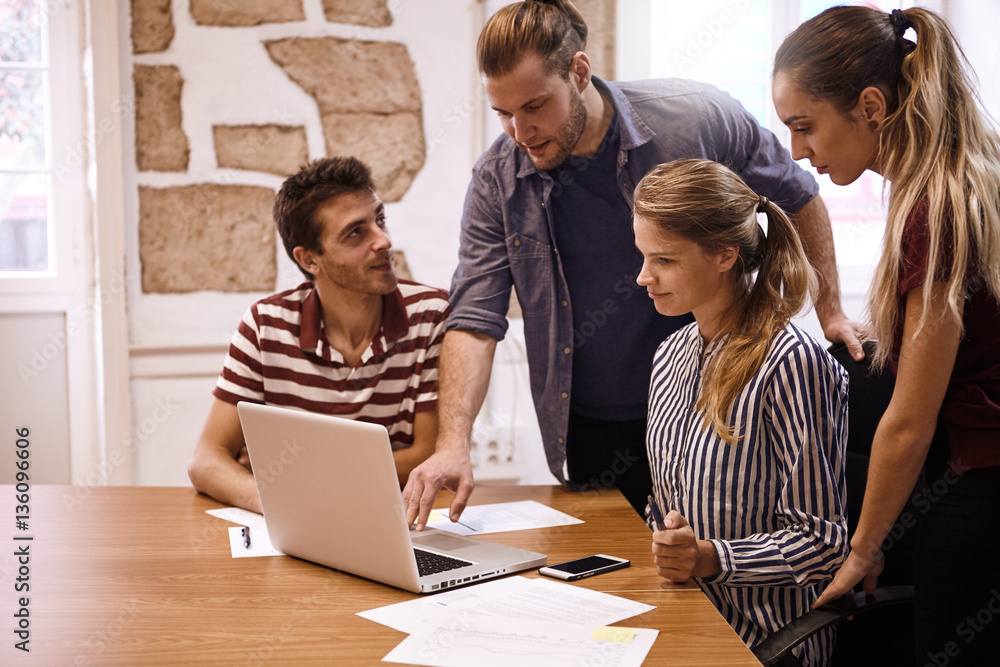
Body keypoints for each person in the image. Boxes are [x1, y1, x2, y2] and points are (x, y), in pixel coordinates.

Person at [403, 0, 861, 526]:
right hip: (587, 425)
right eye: (503, 113)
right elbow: (474, 320)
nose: (519, 132)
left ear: (578, 72)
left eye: (534, 106)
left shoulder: (694, 119)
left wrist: (830, 312)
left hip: (714, 412)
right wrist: (453, 442)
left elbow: (798, 197)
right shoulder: (497, 180)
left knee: (711, 572)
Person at [772, 7, 1000, 665]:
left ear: (871, 105)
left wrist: (862, 547)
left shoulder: (934, 207)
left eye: (805, 126)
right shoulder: (966, 175)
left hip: (976, 490)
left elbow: (909, 421)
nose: (797, 152)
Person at [636, 158, 848, 667]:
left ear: (725, 254)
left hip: (764, 639)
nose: (644, 276)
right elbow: (666, 502)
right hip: (684, 608)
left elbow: (822, 542)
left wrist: (709, 558)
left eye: (663, 259)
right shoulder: (671, 354)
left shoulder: (792, 363)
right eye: (643, 255)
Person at [188, 157, 449, 513]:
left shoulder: (431, 315)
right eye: (356, 232)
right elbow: (206, 460)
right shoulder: (265, 325)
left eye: (380, 220)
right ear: (310, 260)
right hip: (290, 524)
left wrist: (295, 479)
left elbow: (431, 456)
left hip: (386, 516)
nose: (384, 241)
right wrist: (280, 504)